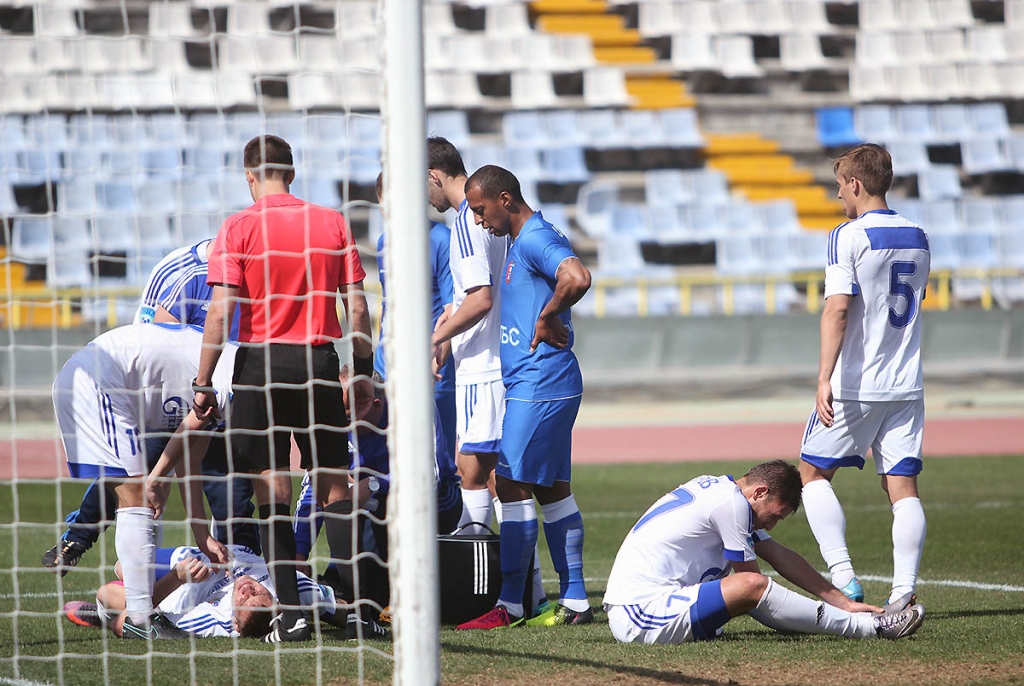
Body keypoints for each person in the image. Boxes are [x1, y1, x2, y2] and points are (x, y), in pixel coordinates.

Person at [192, 134, 373, 643]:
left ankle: (291, 613)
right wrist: (362, 370)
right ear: (291, 172)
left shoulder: (238, 227)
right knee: (335, 485)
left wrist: (203, 380)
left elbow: (221, 311)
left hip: (261, 365)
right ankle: (359, 609)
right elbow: (356, 309)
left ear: (250, 176)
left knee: (273, 483)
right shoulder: (332, 221)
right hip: (318, 360)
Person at [43, 239, 257, 575]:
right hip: (171, 393)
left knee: (233, 486)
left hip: (224, 393)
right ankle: (79, 536)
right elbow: (154, 337)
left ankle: (244, 564)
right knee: (132, 473)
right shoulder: (180, 273)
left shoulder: (262, 279)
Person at [456, 165, 592, 630]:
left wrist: (550, 312)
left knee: (509, 483)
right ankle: (574, 600)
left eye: (480, 209)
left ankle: (510, 605)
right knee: (553, 490)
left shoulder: (533, 237)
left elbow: (577, 275)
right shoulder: (520, 241)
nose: (477, 219)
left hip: (540, 382)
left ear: (506, 199)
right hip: (541, 382)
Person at [798, 144, 932, 607]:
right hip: (907, 382)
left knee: (812, 473)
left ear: (856, 184)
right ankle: (903, 593)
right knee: (902, 487)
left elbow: (838, 310)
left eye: (839, 186)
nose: (838, 196)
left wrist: (823, 378)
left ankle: (843, 576)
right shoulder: (918, 234)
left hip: (857, 382)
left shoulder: (847, 235)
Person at [602, 460, 925, 644]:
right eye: (775, 515)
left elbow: (779, 555)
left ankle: (856, 619)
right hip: (641, 614)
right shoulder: (730, 504)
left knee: (751, 588)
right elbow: (752, 584)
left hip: (652, 606)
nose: (770, 525)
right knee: (752, 586)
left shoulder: (723, 492)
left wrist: (843, 602)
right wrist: (846, 616)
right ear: (760, 492)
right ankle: (874, 628)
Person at [52, 323, 235, 639]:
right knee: (136, 495)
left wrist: (201, 533)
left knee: (141, 498)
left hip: (111, 386)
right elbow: (193, 423)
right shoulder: (240, 378)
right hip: (95, 381)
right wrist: (158, 478)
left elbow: (193, 456)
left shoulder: (238, 369)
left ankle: (140, 611)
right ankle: (140, 617)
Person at [291, 369, 462, 639]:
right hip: (371, 509)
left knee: (378, 499)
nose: (340, 418)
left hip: (435, 505)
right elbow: (314, 486)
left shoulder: (412, 408)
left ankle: (404, 592)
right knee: (344, 498)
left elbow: (430, 478)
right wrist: (297, 554)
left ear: (374, 404)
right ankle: (345, 589)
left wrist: (374, 484)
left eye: (346, 412)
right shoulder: (331, 419)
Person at [425, 138, 507, 532]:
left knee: (473, 474)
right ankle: (526, 587)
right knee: (502, 479)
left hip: (482, 364)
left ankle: (490, 586)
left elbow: (479, 299)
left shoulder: (464, 222)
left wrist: (434, 337)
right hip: (507, 360)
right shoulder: (498, 217)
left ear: (433, 176)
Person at [63, 544, 343, 639]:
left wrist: (177, 577)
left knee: (109, 590)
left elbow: (127, 622)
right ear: (278, 603)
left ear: (235, 622)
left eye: (244, 600)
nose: (246, 589)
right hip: (230, 548)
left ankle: (98, 614)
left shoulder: (217, 622)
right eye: (258, 592)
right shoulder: (293, 589)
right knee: (123, 566)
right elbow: (338, 607)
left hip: (185, 578)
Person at [372, 171, 457, 463]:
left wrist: (439, 352)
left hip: (431, 371)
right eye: (386, 208)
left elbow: (452, 310)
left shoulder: (442, 240)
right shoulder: (384, 242)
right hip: (385, 372)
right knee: (385, 465)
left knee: (440, 464)